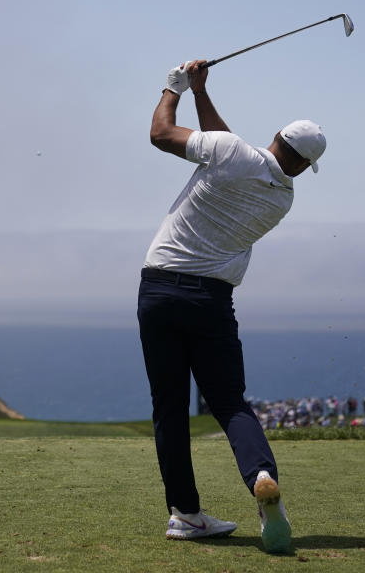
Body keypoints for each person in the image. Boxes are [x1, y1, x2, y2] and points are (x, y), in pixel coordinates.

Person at [138, 60, 327, 554]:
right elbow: (231, 149)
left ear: (275, 136)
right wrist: (203, 92)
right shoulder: (282, 199)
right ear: (303, 166)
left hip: (159, 290)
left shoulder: (229, 153)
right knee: (229, 404)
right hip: (212, 302)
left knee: (170, 409)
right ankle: (261, 475)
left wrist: (174, 87)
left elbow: (162, 134)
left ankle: (185, 515)